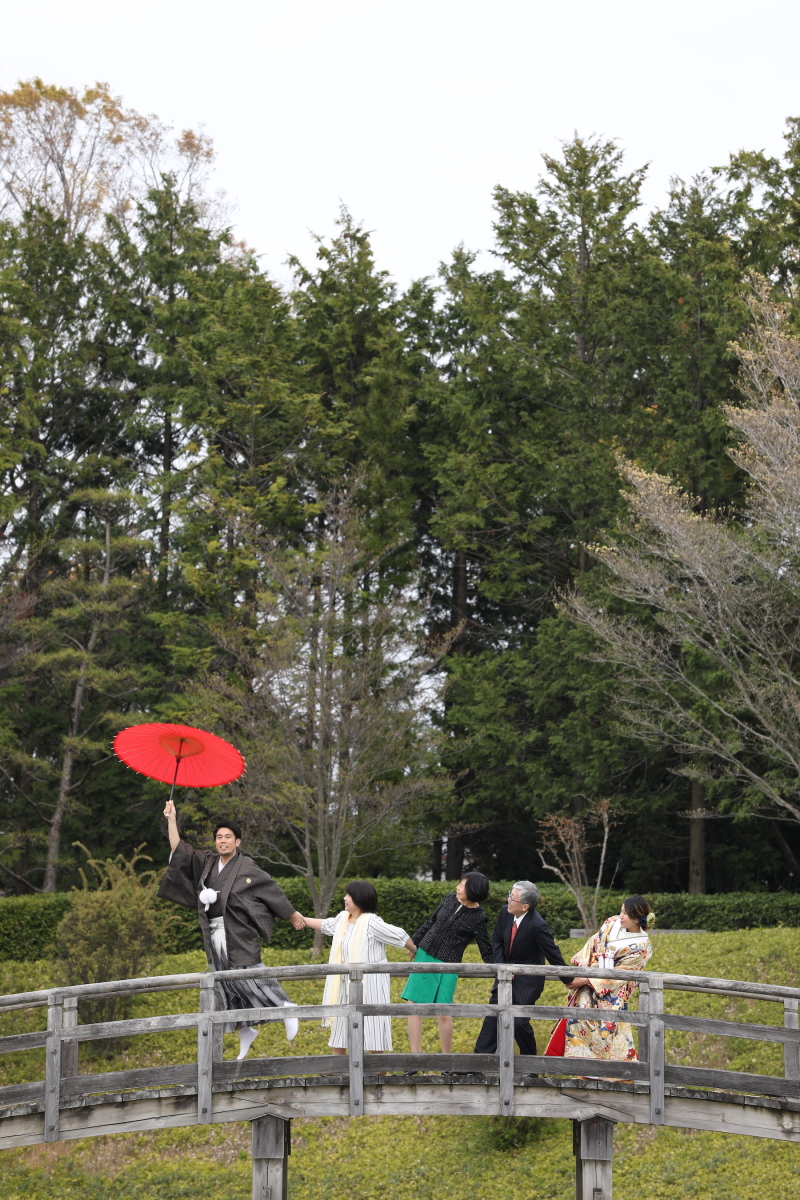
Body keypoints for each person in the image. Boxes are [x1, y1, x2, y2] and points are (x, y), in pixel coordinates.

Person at [158, 799, 306, 1060]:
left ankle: (284, 1005)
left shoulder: (246, 867)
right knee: (223, 982)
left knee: (247, 974)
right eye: (218, 837)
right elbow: (180, 851)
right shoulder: (207, 862)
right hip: (213, 933)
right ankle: (243, 1028)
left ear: (238, 842)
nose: (222, 841)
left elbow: (270, 890)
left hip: (237, 932)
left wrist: (292, 915)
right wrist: (172, 820)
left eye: (228, 837)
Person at [301, 881, 416, 1057]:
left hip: (372, 985)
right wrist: (300, 919)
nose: (344, 898)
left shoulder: (372, 922)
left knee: (373, 1023)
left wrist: (413, 950)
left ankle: (379, 1070)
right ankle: (336, 1064)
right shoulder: (343, 919)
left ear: (360, 899)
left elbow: (400, 935)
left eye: (349, 895)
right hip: (346, 981)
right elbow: (326, 925)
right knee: (342, 1020)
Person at [473, 880, 571, 1060]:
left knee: (518, 1022)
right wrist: (502, 968)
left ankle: (531, 1063)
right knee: (493, 1017)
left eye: (512, 898)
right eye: (510, 895)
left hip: (527, 981)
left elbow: (553, 953)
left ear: (525, 906)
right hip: (504, 976)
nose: (508, 900)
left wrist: (569, 979)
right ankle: (478, 1063)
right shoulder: (505, 912)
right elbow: (497, 940)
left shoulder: (537, 925)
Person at [403, 872, 493, 1055]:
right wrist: (414, 945)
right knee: (414, 1005)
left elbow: (486, 949)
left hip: (449, 964)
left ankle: (447, 1059)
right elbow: (430, 922)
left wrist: (499, 968)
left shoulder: (479, 917)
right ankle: (415, 1057)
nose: (458, 888)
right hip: (425, 955)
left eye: (462, 885)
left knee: (444, 1011)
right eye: (459, 884)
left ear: (473, 890)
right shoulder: (448, 899)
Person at [564, 895, 654, 1063]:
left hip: (613, 990)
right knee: (578, 1019)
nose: (621, 916)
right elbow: (592, 943)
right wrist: (583, 970)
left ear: (637, 919)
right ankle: (581, 1068)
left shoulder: (642, 946)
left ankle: (611, 1072)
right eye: (621, 911)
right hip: (588, 977)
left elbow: (624, 972)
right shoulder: (611, 923)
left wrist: (585, 979)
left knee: (608, 1030)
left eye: (626, 914)